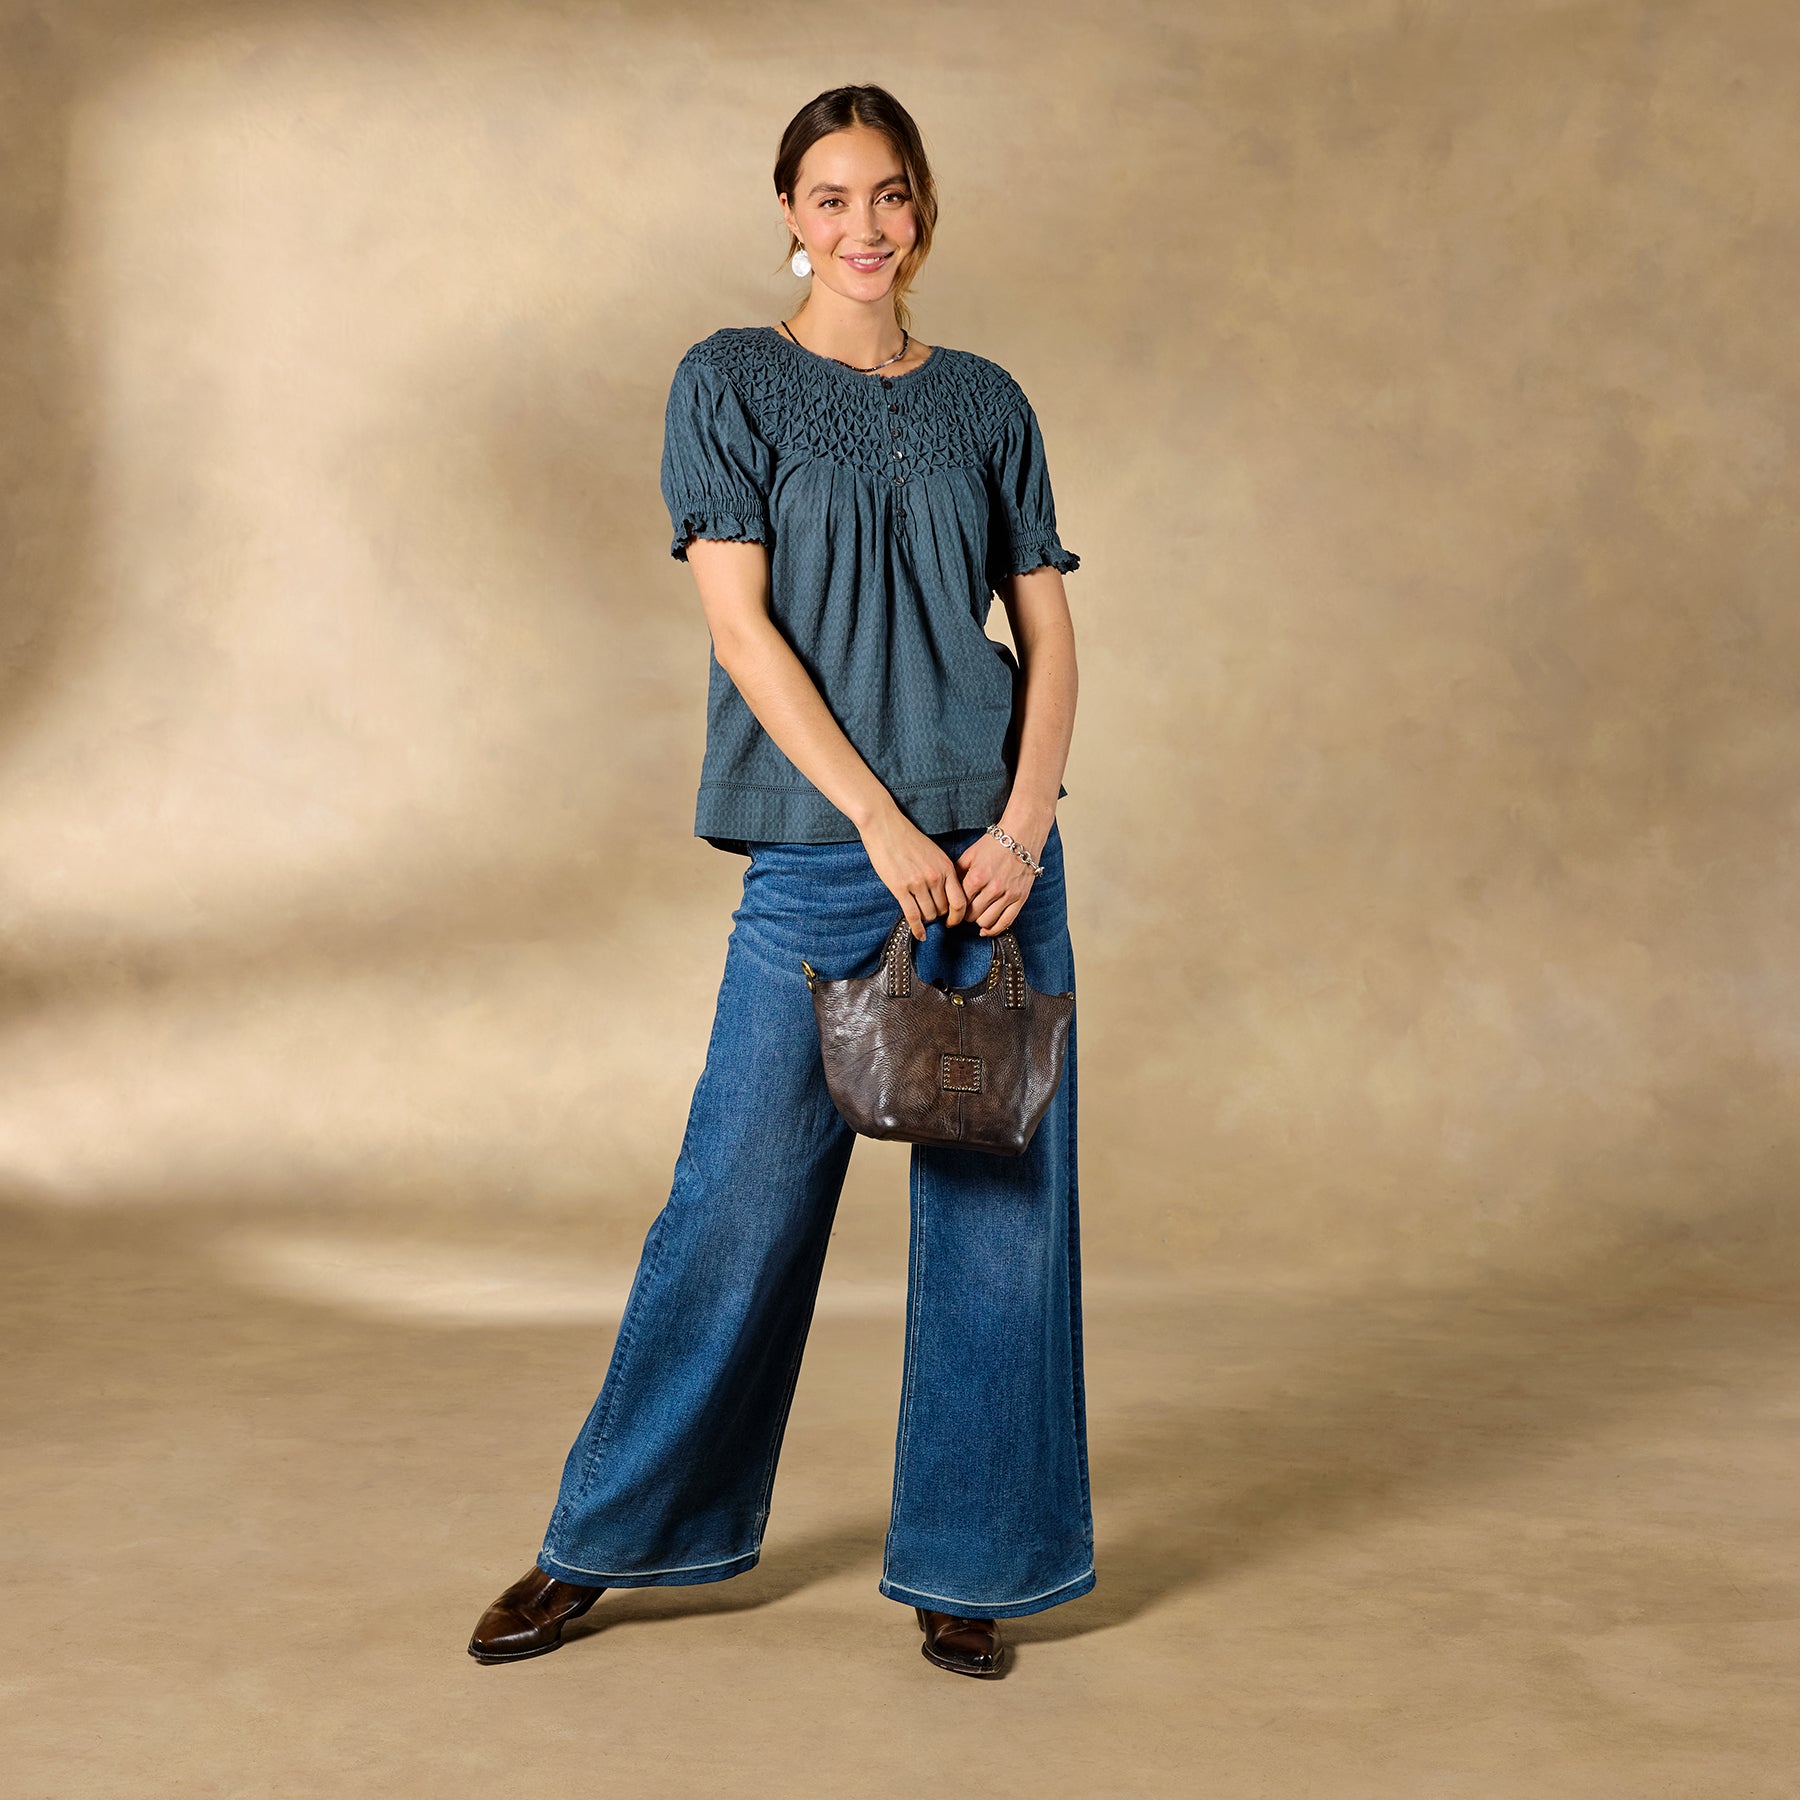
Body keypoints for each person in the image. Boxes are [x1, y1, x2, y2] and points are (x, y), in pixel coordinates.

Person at [468, 83, 1091, 1680]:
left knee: (1000, 1224)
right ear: (791, 218)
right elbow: (741, 631)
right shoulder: (728, 380)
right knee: (735, 1205)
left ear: (921, 209)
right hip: (828, 856)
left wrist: (1021, 827)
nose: (863, 226)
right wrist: (880, 825)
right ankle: (606, 1541)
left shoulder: (988, 401)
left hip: (996, 865)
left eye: (888, 195)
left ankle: (973, 1568)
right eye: (830, 198)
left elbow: (1048, 629)